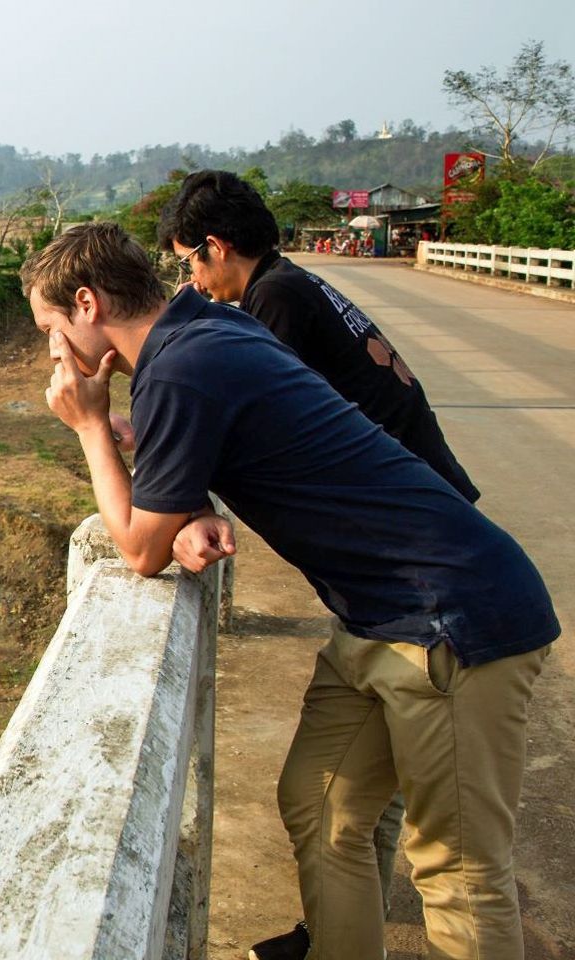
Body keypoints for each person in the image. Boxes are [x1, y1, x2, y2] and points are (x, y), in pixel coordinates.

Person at [24, 222, 556, 960]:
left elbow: (141, 550)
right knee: (323, 804)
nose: (54, 353)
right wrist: (191, 504)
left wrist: (88, 426)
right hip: (380, 617)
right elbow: (213, 450)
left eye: (52, 330)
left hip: (452, 619)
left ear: (86, 303)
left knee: (459, 875)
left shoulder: (180, 367)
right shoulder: (204, 328)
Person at [159, 171, 483, 959]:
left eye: (191, 266)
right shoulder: (293, 288)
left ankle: (337, 932)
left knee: (419, 829)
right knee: (355, 793)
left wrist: (180, 482)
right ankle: (335, 930)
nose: (194, 285)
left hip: (415, 561)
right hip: (415, 537)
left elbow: (254, 418)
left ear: (218, 246)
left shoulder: (275, 304)